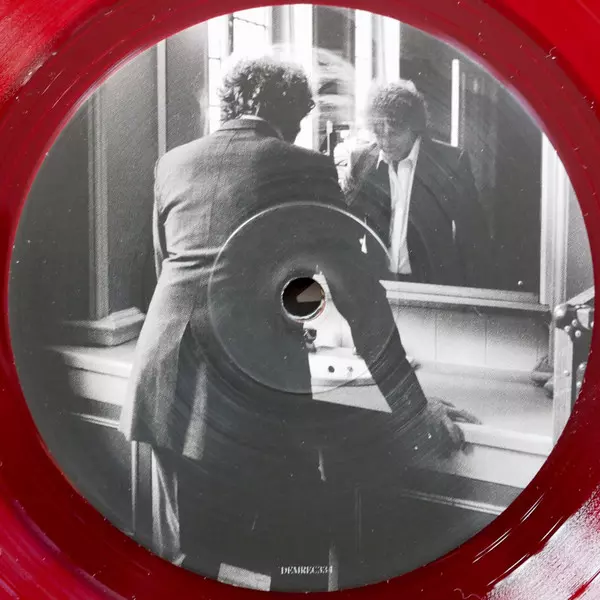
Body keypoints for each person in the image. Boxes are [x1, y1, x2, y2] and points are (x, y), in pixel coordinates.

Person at [119, 57, 473, 592]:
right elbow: (360, 297)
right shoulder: (305, 167)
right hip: (245, 393)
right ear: (289, 115)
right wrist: (414, 407)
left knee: (192, 554)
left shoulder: (173, 162)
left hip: (164, 382)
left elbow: (174, 273)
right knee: (298, 551)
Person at [343, 80, 493, 288]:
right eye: (378, 132)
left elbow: (474, 235)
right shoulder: (361, 160)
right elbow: (345, 222)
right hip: (379, 284)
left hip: (433, 284)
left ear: (414, 128)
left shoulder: (450, 163)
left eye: (394, 133)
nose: (385, 142)